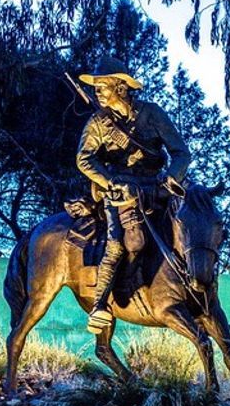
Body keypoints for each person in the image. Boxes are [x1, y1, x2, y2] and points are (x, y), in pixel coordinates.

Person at [74, 61, 192, 334]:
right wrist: (110, 182)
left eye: (103, 86)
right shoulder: (97, 123)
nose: (98, 92)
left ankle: (201, 298)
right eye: (96, 88)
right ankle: (100, 305)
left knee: (193, 228)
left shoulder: (152, 114)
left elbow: (181, 153)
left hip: (157, 186)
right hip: (120, 190)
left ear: (122, 87)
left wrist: (169, 180)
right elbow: (84, 158)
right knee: (120, 243)